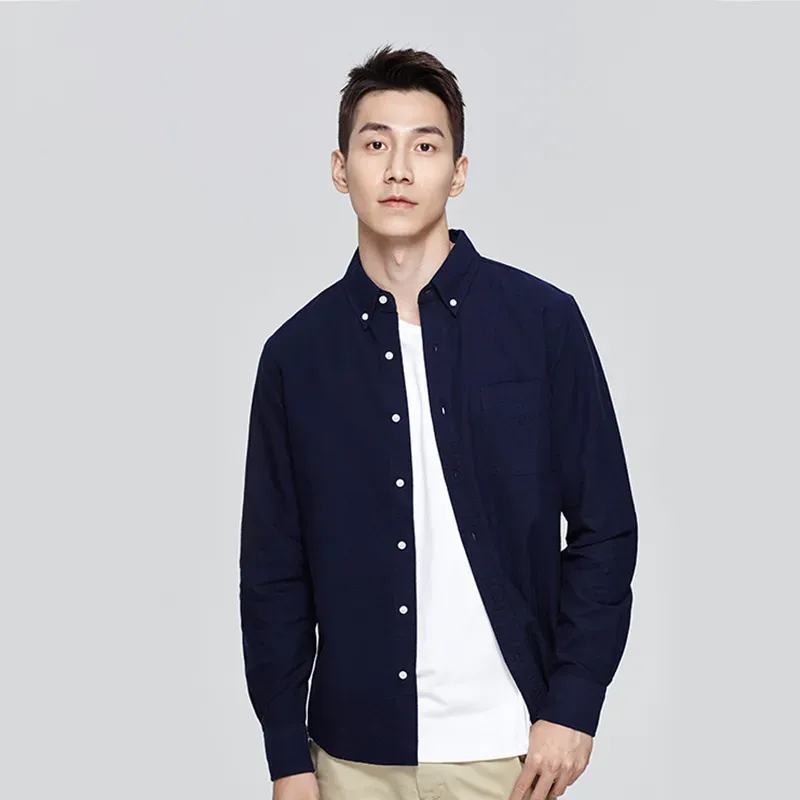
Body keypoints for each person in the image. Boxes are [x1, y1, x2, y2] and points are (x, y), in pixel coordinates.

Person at [239, 44, 638, 800]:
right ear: (340, 168)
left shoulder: (542, 324)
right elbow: (272, 574)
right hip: (351, 761)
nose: (398, 169)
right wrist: (287, 757)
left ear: (458, 172)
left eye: (424, 146)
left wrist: (575, 702)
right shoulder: (296, 356)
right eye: (375, 145)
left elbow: (606, 526)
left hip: (509, 751)